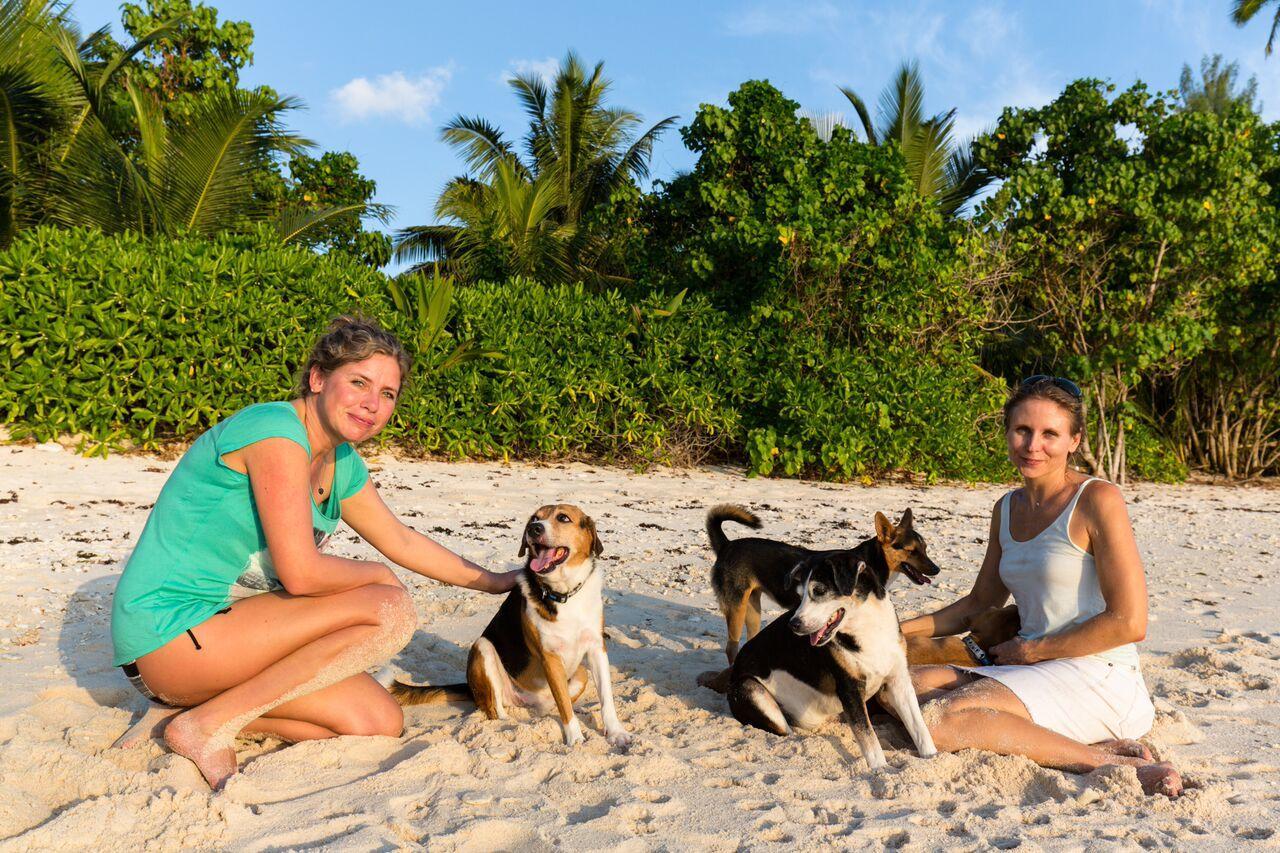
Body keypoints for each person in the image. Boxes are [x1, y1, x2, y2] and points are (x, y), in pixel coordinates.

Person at [110, 316, 518, 789]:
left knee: (377, 720)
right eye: (359, 383)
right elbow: (301, 574)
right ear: (318, 379)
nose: (372, 404)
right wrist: (378, 576)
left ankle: (187, 714)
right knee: (388, 608)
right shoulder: (276, 433)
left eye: (387, 394)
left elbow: (401, 539)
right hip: (169, 634)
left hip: (230, 637)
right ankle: (206, 726)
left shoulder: (341, 460)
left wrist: (498, 581)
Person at [900, 376, 1182, 798]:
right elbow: (980, 602)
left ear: (1075, 440)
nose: (1033, 445)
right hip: (1031, 669)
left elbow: (1129, 622)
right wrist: (893, 631)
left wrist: (1031, 650)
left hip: (1098, 674)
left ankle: (1112, 762)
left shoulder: (1097, 499)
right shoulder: (1007, 508)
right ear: (1007, 433)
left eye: (1050, 433)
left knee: (938, 722)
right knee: (905, 688)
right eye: (1022, 430)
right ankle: (1087, 743)